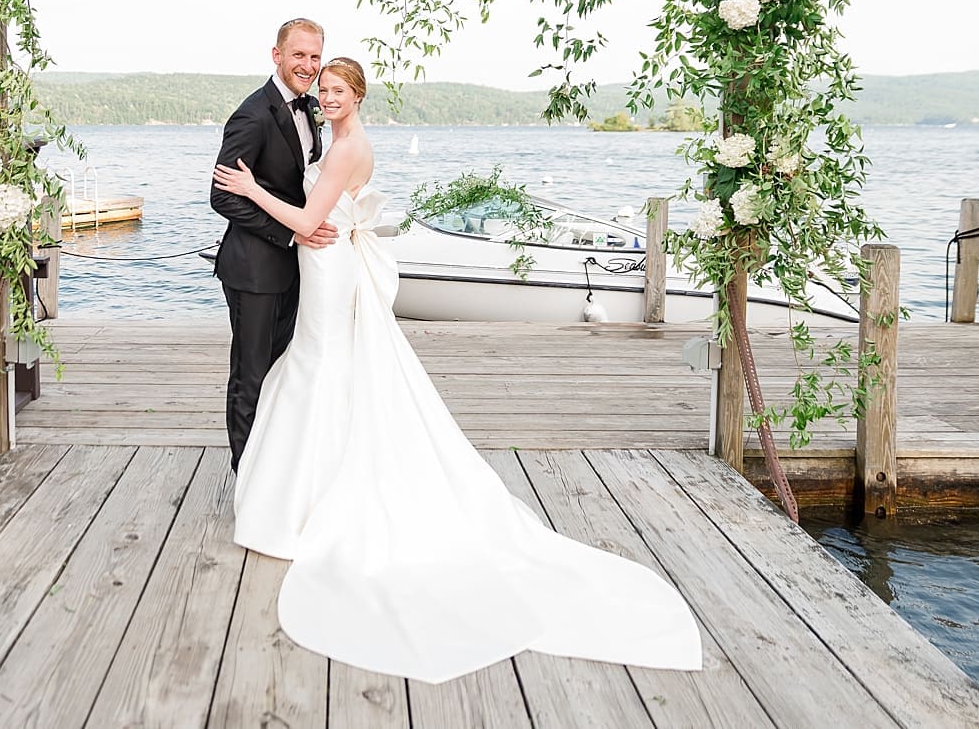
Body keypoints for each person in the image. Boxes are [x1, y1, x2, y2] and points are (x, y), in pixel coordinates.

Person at [212, 57, 702, 684]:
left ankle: (309, 497)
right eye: (324, 90)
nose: (327, 97)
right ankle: (308, 487)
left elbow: (310, 223)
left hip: (327, 263)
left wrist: (253, 191)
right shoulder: (339, 140)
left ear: (357, 95)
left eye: (338, 90)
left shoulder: (345, 149)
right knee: (314, 364)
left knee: (319, 366)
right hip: (329, 265)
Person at [210, 18, 337, 472]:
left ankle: (274, 476)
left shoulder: (309, 109)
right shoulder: (253, 113)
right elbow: (222, 195)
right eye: (298, 54)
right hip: (254, 271)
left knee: (284, 374)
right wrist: (288, 233)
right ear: (276, 55)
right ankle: (246, 481)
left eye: (314, 56)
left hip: (294, 270)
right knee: (251, 377)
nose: (307, 65)